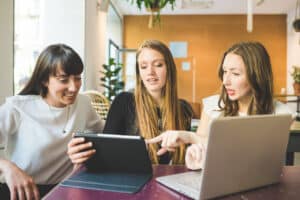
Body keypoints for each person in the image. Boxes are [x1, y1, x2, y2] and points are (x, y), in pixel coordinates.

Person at [147, 41, 291, 170]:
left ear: (257, 76)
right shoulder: (212, 106)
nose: (225, 81)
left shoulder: (281, 114)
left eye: (235, 73)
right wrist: (195, 157)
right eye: (224, 72)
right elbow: (202, 148)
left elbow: (251, 158)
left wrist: (191, 137)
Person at [0, 44, 104, 199]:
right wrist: (8, 168)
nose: (73, 87)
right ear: (44, 80)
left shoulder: (83, 104)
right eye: (63, 80)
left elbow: (106, 133)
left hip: (62, 191)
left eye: (77, 78)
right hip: (20, 192)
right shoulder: (16, 108)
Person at [68, 39, 193, 165]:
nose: (150, 72)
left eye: (158, 65)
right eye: (143, 66)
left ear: (169, 69)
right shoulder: (124, 102)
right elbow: (106, 153)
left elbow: (186, 159)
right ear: (139, 73)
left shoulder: (183, 109)